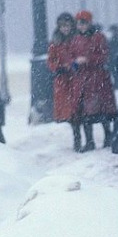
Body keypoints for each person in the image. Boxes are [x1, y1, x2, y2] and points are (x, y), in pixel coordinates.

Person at [69, 10, 117, 151]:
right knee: (85, 111)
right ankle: (89, 140)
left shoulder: (98, 37)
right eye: (79, 23)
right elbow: (71, 56)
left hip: (97, 79)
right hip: (83, 80)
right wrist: (75, 63)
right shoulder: (75, 39)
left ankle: (107, 136)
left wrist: (87, 60)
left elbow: (104, 56)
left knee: (102, 110)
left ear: (89, 23)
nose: (81, 26)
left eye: (84, 23)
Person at [47, 13, 81, 151]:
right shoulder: (55, 43)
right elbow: (51, 60)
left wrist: (74, 64)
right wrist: (59, 67)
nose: (65, 28)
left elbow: (80, 55)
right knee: (70, 110)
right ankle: (77, 136)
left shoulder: (77, 39)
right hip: (63, 79)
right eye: (62, 26)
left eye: (67, 25)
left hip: (76, 78)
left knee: (78, 108)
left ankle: (81, 136)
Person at [107, 25, 118, 89]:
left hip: (117, 61)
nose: (115, 32)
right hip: (114, 61)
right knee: (115, 75)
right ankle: (117, 85)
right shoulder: (111, 41)